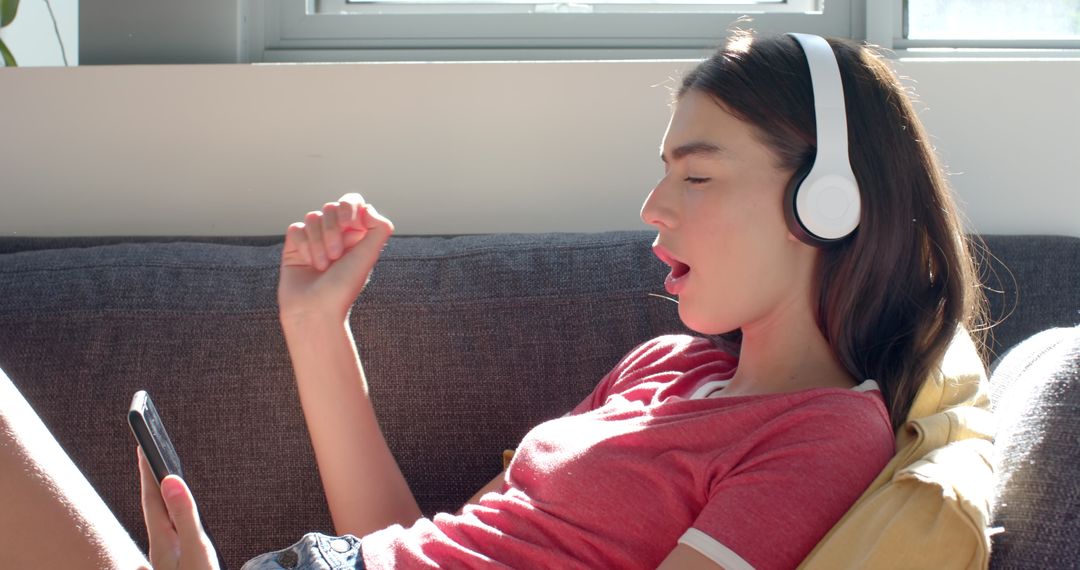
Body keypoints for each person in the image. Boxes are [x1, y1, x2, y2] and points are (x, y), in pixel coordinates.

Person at [0, 30, 984, 570]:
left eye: (697, 175)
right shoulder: (668, 365)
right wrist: (316, 330)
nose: (652, 207)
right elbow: (430, 545)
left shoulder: (823, 435)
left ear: (827, 199)